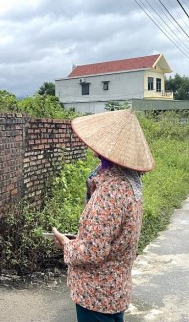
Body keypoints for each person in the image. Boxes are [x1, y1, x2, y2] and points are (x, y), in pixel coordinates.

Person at [52, 109, 155, 322]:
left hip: (97, 295)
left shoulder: (111, 191)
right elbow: (107, 236)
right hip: (115, 290)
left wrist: (66, 244)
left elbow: (92, 251)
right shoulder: (130, 183)